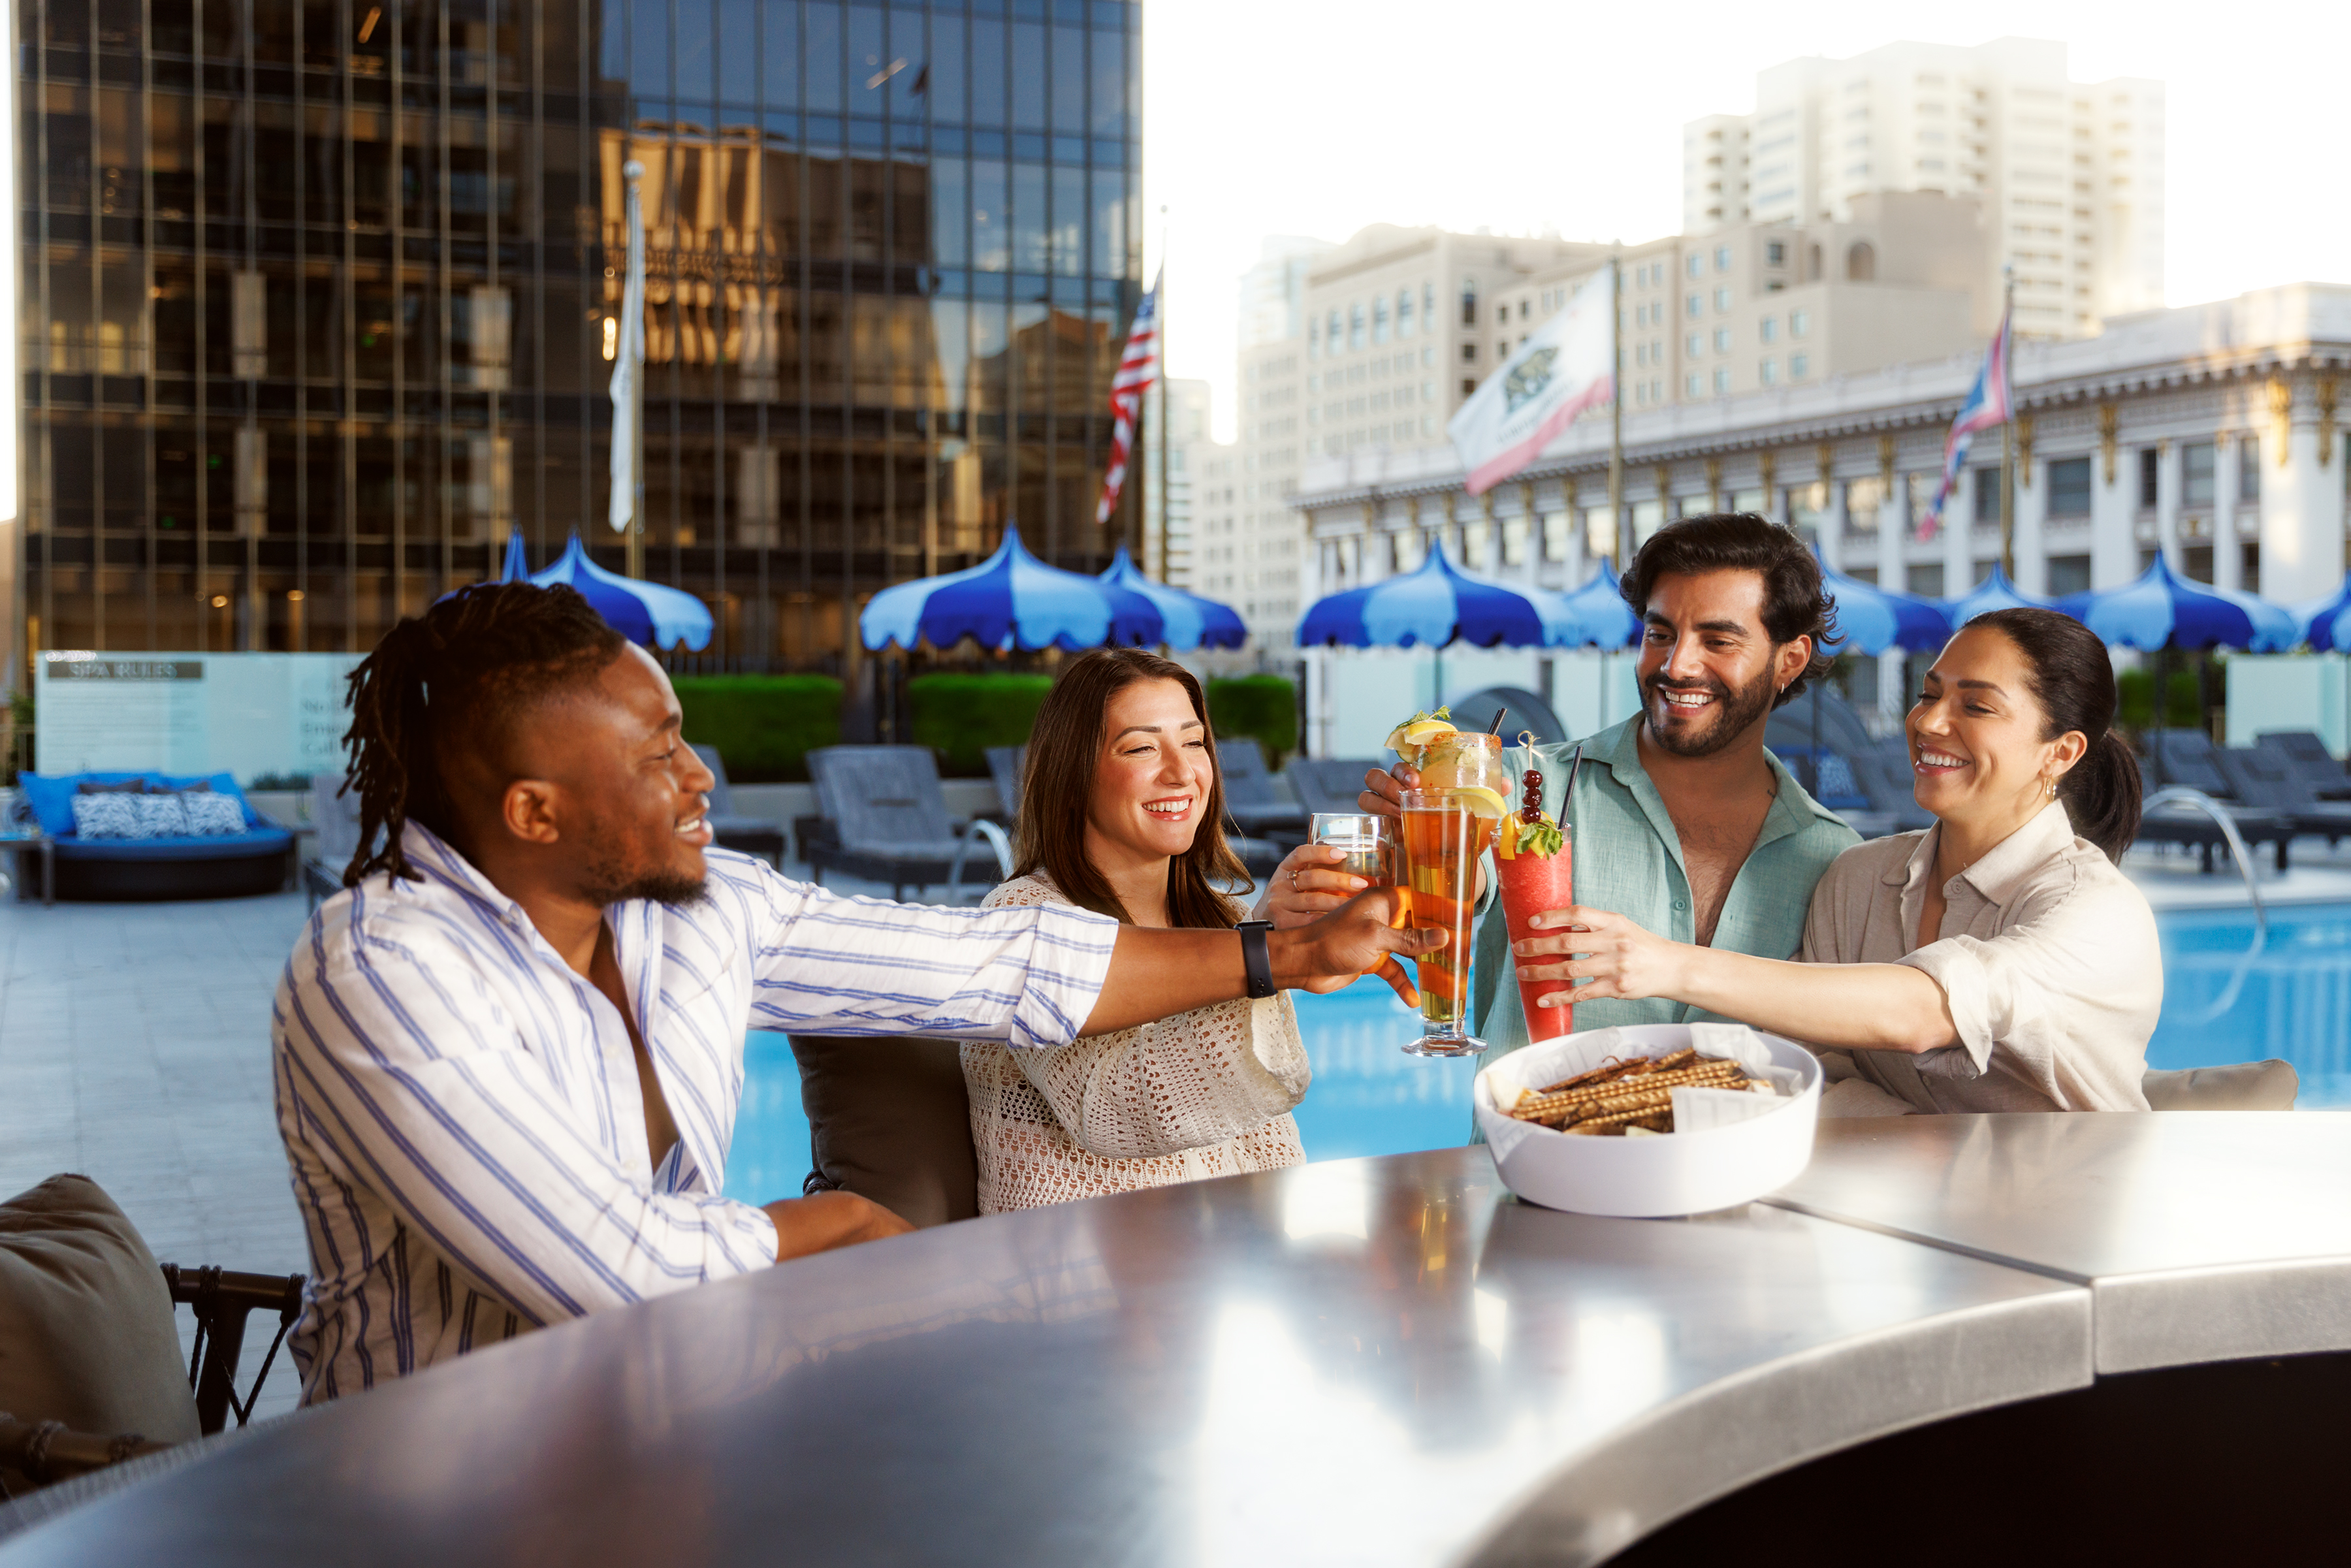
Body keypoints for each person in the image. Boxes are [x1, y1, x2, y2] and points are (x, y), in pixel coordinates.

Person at [272, 584, 1435, 1403]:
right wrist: (852, 1227)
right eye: (660, 753)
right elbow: (610, 1270)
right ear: (535, 813)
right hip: (429, 1479)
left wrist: (1278, 955)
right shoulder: (380, 970)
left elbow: (994, 970)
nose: (703, 776)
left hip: (653, 1421)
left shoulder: (702, 906)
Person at [1514, 607, 2159, 1113]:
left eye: (1977, 706)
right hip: (1916, 1229)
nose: (1929, 721)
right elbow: (1809, 1072)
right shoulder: (1857, 879)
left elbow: (1918, 1012)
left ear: (2061, 752)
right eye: (1929, 692)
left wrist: (1665, 963)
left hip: (2076, 1234)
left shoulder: (2098, 912)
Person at [1348, 513, 1859, 1074]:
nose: (1676, 664)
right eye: (1659, 634)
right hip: (1537, 1157)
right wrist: (1414, 856)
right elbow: (1453, 894)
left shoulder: (1834, 861)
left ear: (1791, 659)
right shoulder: (1517, 792)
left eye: (1717, 640)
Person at [967, 648, 1379, 1209]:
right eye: (1141, 747)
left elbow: (1267, 1144)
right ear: (1074, 770)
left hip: (1223, 1270)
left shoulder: (1221, 916)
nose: (1182, 772)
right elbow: (1115, 1109)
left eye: (1193, 742)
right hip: (1071, 1276)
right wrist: (1271, 956)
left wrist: (1264, 933)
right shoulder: (1022, 920)